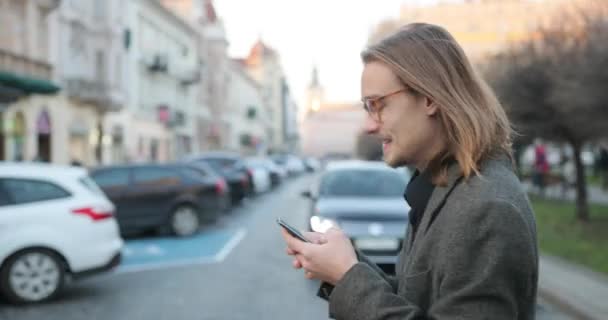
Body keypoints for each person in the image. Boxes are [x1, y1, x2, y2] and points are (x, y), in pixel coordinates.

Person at [280, 23, 538, 319]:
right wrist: (344, 266)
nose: (368, 125)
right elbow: (416, 299)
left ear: (430, 97)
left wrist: (349, 275)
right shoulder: (442, 187)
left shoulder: (487, 209)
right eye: (367, 107)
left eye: (378, 105)